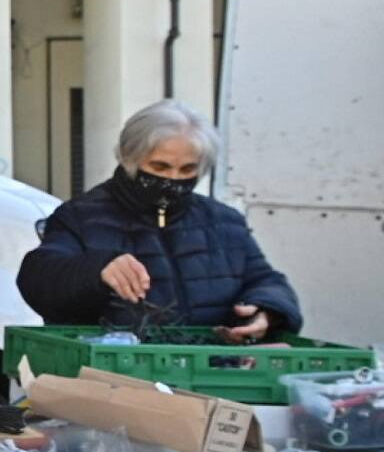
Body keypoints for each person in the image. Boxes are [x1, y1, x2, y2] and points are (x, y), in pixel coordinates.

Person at [17, 100, 301, 341]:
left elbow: (264, 279)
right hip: (116, 376)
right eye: (160, 166)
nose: (173, 179)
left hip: (213, 372)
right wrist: (96, 270)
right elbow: (39, 277)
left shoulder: (224, 222)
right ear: (129, 159)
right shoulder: (81, 216)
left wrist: (265, 310)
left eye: (188, 168)